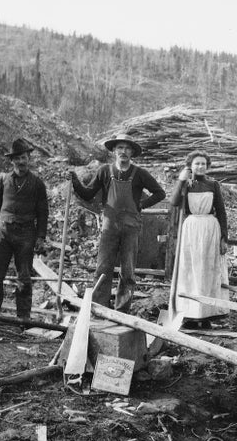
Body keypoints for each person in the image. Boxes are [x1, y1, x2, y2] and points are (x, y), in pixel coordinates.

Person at [69, 133, 166, 312]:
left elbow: (160, 193)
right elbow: (88, 194)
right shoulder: (105, 171)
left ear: (132, 153)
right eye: (120, 148)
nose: (123, 151)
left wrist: (141, 204)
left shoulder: (140, 174)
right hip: (109, 225)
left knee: (128, 271)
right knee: (103, 267)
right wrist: (75, 182)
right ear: (114, 150)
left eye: (127, 148)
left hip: (131, 227)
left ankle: (122, 311)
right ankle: (99, 309)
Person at [0, 138, 48, 320]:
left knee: (24, 279)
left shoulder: (37, 184)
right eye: (17, 159)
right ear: (11, 161)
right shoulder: (2, 181)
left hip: (26, 235)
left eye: (24, 157)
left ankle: (23, 319)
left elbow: (43, 212)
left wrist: (41, 237)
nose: (21, 162)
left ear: (29, 158)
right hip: (2, 233)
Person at [171, 150, 229, 328]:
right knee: (190, 270)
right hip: (191, 229)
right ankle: (189, 314)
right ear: (190, 166)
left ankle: (206, 315)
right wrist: (181, 180)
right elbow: (173, 202)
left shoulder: (213, 184)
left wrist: (224, 238)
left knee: (208, 271)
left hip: (211, 229)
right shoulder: (187, 184)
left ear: (207, 166)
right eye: (197, 163)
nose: (200, 166)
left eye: (203, 163)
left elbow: (221, 211)